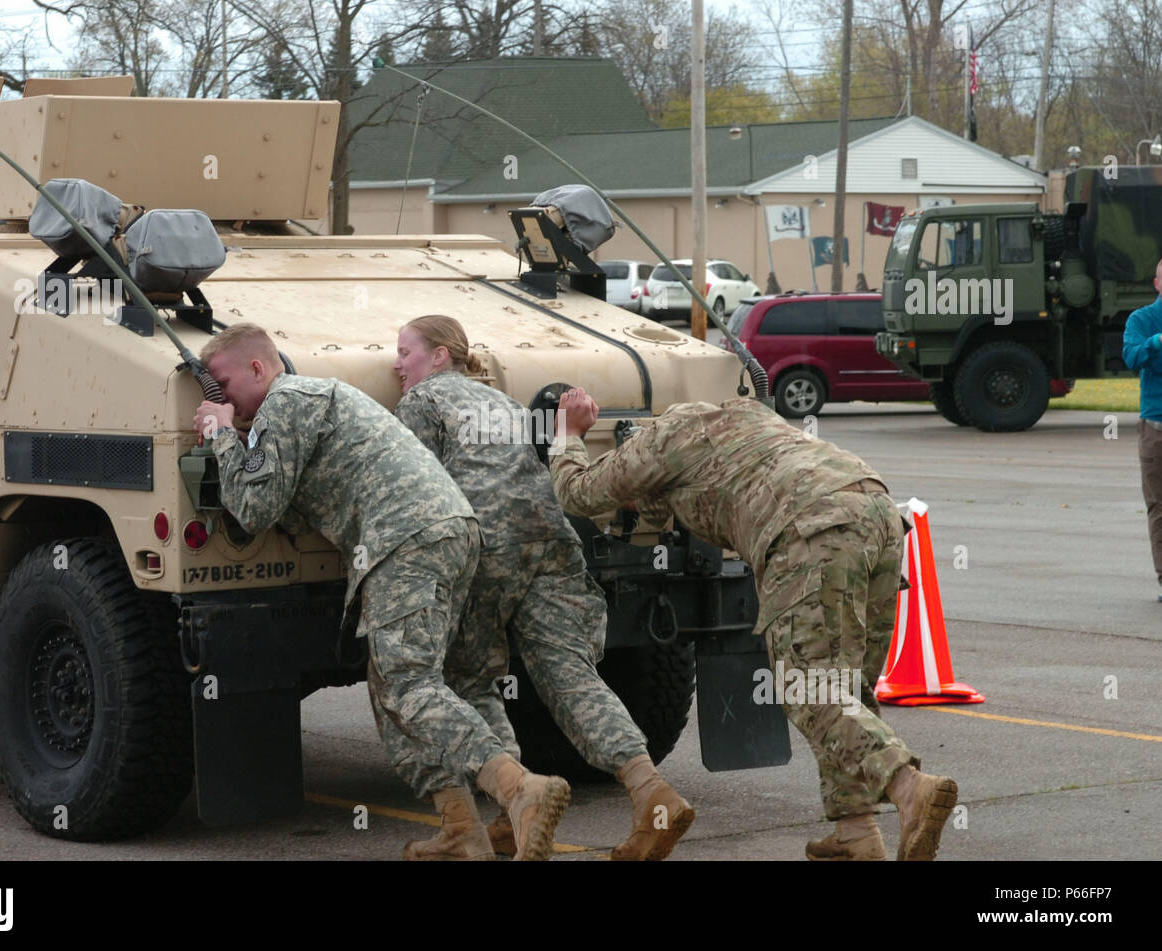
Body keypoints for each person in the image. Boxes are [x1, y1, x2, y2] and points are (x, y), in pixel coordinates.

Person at [192, 323, 569, 860]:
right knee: (397, 688)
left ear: (258, 368)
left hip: (405, 539)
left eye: (222, 383)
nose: (219, 396)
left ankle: (518, 789)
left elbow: (254, 510)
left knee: (410, 685)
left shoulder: (287, 399)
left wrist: (221, 435)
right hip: (446, 531)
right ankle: (462, 827)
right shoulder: (313, 398)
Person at [550, 386, 959, 861]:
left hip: (807, 528)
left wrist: (566, 435)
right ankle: (855, 828)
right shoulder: (743, 419)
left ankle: (909, 787)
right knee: (843, 689)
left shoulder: (659, 439)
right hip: (878, 512)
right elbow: (658, 510)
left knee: (806, 687)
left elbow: (577, 492)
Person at [392, 315, 693, 861]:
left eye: (405, 353)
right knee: (571, 675)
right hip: (551, 539)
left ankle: (512, 807)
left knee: (469, 679)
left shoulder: (423, 399)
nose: (397, 365)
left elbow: (414, 484)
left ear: (439, 357)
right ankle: (652, 793)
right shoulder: (504, 403)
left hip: (485, 545)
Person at [1121, 258, 1162, 602]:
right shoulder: (1142, 320)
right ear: (1157, 284)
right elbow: (1132, 357)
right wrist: (1157, 343)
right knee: (1159, 506)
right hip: (1156, 429)